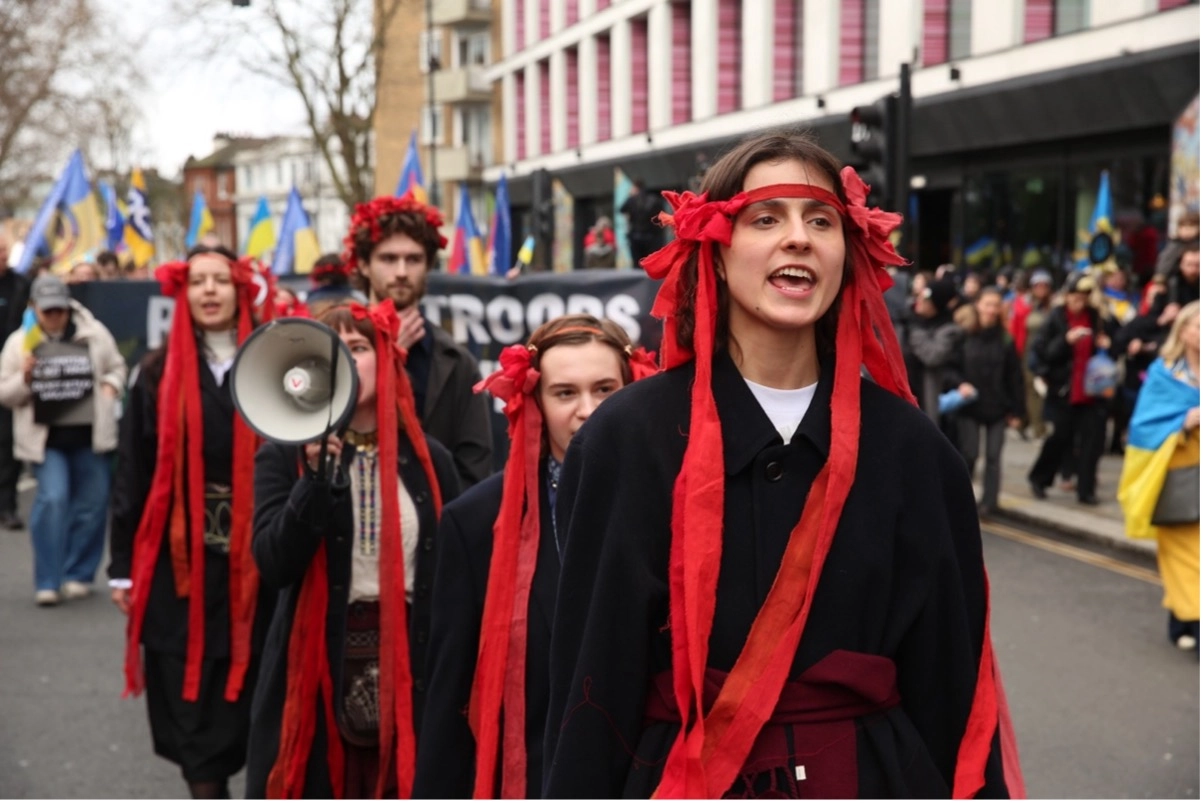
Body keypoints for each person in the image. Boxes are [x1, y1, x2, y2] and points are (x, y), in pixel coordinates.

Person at [543, 132, 1022, 798]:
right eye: (766, 218)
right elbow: (591, 674)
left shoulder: (915, 450)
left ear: (846, 256)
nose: (798, 237)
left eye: (820, 220)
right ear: (713, 250)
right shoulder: (627, 440)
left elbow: (952, 687)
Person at [413, 314, 657, 799]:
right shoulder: (476, 523)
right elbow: (448, 697)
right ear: (536, 404)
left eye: (605, 389)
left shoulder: (676, 504)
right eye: (566, 393)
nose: (589, 410)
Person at [245, 301, 461, 799]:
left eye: (358, 347)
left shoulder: (432, 459)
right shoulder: (283, 454)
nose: (343, 358)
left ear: (386, 359)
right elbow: (274, 563)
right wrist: (313, 482)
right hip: (319, 663)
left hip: (414, 665)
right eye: (330, 348)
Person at [108, 246, 275, 799]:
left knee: (264, 708)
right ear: (182, 293)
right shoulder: (155, 373)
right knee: (192, 712)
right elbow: (131, 469)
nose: (208, 290)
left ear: (240, 289)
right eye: (197, 280)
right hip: (181, 569)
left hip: (259, 564)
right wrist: (122, 567)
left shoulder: (275, 365)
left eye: (220, 280)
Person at [347, 194, 493, 488]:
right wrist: (385, 355)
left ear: (427, 266)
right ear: (363, 264)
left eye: (413, 259)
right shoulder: (332, 346)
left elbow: (474, 472)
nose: (401, 272)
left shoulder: (456, 363)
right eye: (388, 259)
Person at [0, 274, 126, 605]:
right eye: (48, 311)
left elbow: (117, 366)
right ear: (35, 309)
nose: (55, 316)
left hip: (89, 436)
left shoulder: (94, 333)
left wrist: (112, 386)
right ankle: (48, 579)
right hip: (46, 441)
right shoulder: (19, 344)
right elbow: (4, 393)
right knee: (53, 500)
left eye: (60, 309)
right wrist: (25, 379)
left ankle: (79, 573)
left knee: (93, 505)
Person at [1118, 301, 1199, 651]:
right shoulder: (1164, 373)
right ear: (1182, 331)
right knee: (1182, 553)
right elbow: (1142, 427)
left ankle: (1182, 619)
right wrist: (1183, 422)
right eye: (1198, 325)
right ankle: (1192, 623)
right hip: (1178, 475)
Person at [1027, 274, 1115, 505]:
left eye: (1084, 297)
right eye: (1076, 297)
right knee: (1059, 439)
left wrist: (1106, 343)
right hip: (1064, 391)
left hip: (1092, 391)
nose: (1080, 302)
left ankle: (1085, 491)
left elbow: (1118, 340)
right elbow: (1044, 353)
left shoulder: (1096, 317)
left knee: (1092, 443)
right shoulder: (1055, 318)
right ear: (1067, 296)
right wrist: (1066, 341)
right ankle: (1039, 479)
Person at [949, 288, 1025, 516]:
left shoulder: (1005, 338)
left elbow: (1015, 376)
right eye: (987, 304)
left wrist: (1018, 410)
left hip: (998, 406)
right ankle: (962, 501)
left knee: (993, 456)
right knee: (969, 454)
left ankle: (989, 503)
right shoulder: (964, 334)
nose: (992, 310)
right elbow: (951, 367)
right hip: (969, 405)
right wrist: (959, 383)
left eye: (996, 305)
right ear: (978, 305)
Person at [0, 232, 30, 530]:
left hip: (9, 373)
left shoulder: (21, 284)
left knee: (7, 443)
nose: (3, 255)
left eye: (4, 250)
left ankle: (7, 506)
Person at [908, 276, 964, 425]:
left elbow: (932, 356)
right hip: (905, 395)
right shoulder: (908, 319)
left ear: (936, 304)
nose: (920, 300)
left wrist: (915, 331)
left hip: (928, 400)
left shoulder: (949, 330)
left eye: (927, 298)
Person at [620, 179, 665, 267]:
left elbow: (621, 210)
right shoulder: (654, 199)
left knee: (637, 264)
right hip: (652, 236)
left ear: (635, 188)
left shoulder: (631, 199)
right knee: (651, 262)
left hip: (636, 236)